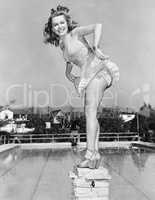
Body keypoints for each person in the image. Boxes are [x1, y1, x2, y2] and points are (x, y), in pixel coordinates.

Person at [44, 5, 119, 168]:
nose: (59, 27)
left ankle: (90, 154)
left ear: (67, 22)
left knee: (89, 111)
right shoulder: (63, 45)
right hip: (89, 75)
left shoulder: (75, 33)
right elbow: (70, 62)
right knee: (91, 112)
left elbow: (97, 25)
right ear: (52, 28)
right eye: (55, 25)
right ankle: (95, 154)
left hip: (99, 70)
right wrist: (70, 76)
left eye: (61, 23)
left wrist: (96, 46)